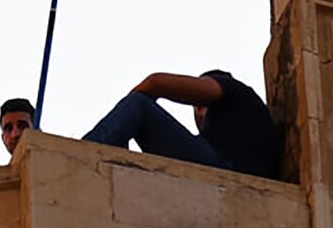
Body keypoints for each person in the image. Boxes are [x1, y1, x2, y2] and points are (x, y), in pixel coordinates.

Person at [82, 68, 280, 179]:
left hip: (228, 172)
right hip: (227, 175)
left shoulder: (235, 91)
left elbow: (156, 83)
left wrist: (126, 116)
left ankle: (85, 156)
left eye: (200, 105)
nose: (199, 112)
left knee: (139, 105)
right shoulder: (233, 135)